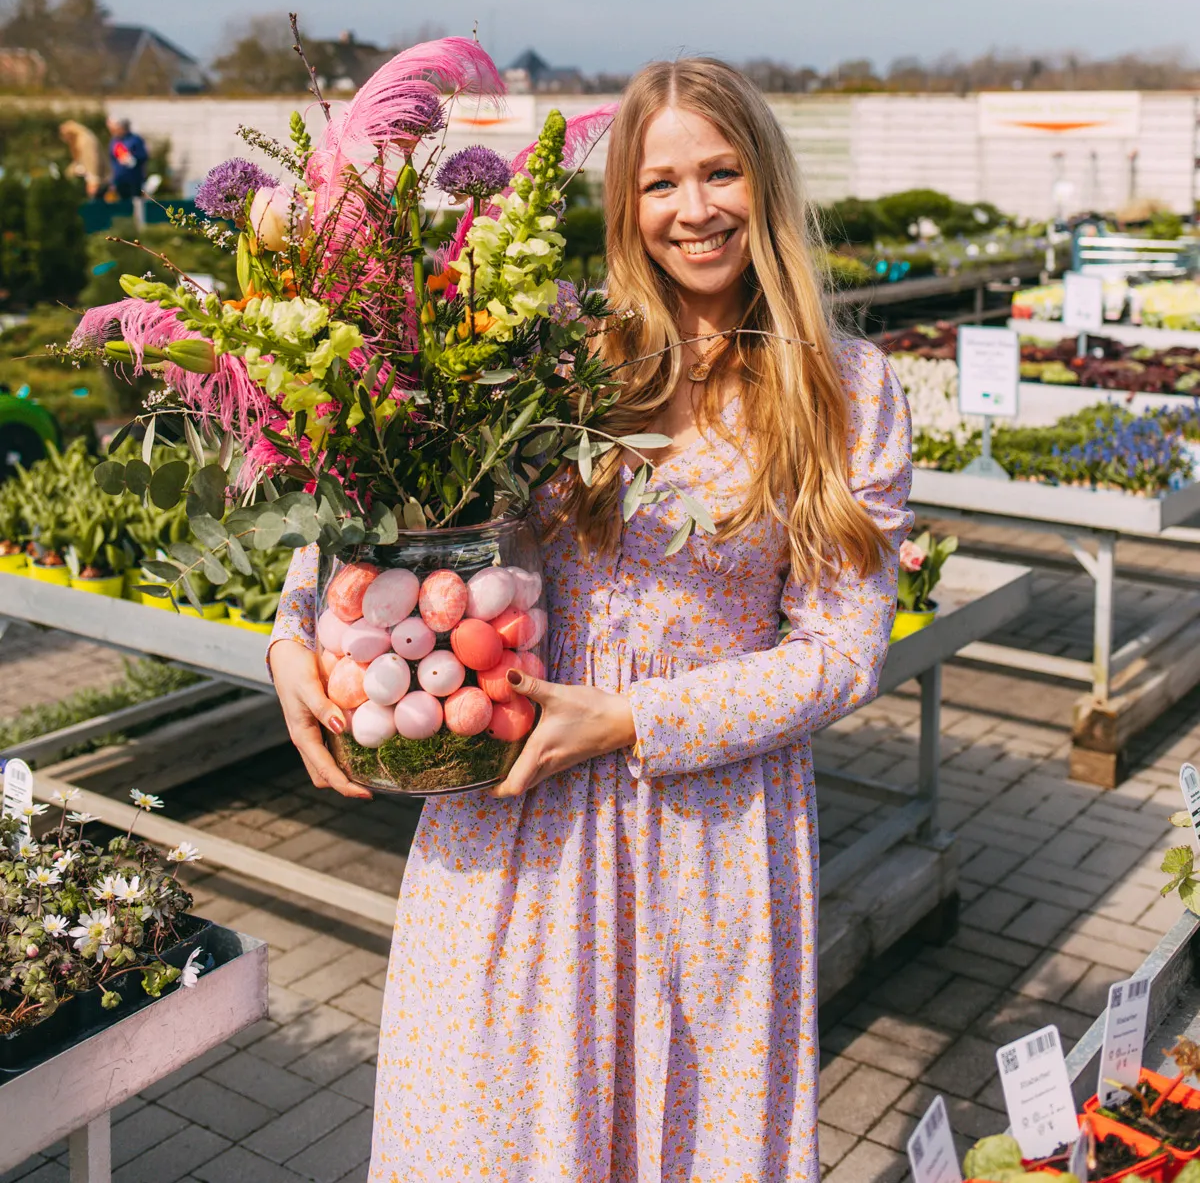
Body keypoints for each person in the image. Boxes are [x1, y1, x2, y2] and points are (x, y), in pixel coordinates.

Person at [268, 58, 912, 1183]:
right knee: (485, 1138)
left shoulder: (846, 388)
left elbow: (840, 653)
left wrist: (626, 718)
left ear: (765, 180)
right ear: (626, 206)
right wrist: (288, 631)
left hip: (709, 834)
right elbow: (393, 508)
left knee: (685, 1140)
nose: (695, 208)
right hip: (514, 827)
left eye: (721, 173)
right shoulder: (557, 358)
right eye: (661, 183)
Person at [105, 117, 148, 201]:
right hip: (119, 180)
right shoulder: (114, 141)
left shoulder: (135, 139)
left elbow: (143, 156)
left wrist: (133, 160)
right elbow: (111, 159)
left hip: (134, 180)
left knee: (136, 204)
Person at [58, 120, 104, 197]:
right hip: (89, 178)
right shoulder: (79, 141)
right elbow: (78, 160)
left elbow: (92, 161)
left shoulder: (85, 141)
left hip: (98, 180)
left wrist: (93, 182)